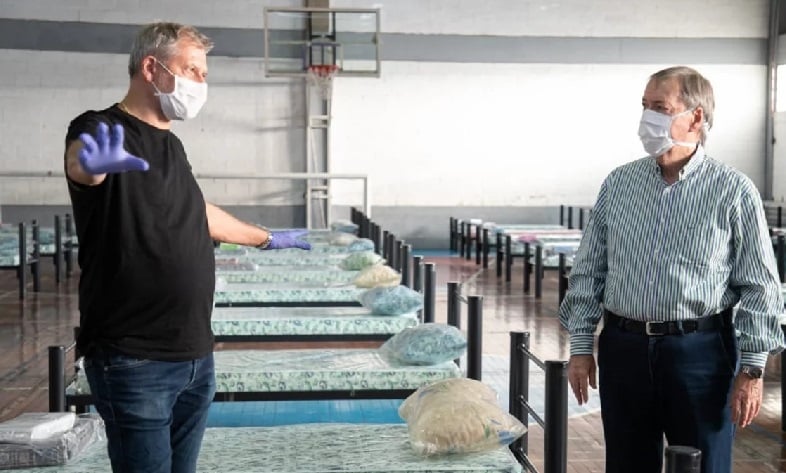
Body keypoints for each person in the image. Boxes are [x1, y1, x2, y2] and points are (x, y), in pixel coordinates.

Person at [62, 22, 311, 473]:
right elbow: (83, 162)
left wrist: (268, 238)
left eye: (204, 73)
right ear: (151, 68)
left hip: (194, 355)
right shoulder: (100, 127)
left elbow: (196, 210)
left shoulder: (171, 146)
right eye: (191, 69)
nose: (200, 81)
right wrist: (92, 164)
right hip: (133, 358)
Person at [558, 65, 786, 473]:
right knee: (626, 464)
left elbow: (760, 285)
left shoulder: (732, 190)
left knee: (702, 463)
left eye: (660, 108)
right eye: (645, 106)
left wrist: (752, 368)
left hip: (700, 354)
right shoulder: (619, 184)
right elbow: (589, 270)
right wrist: (580, 346)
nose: (647, 117)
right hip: (624, 349)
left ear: (695, 117)